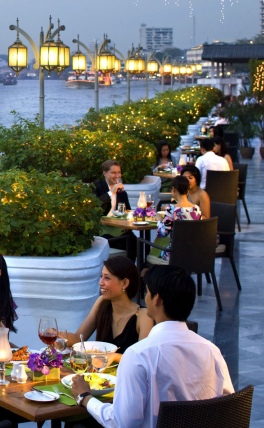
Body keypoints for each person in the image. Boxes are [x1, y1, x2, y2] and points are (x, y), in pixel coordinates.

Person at [71, 265, 233, 428]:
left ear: (157, 299)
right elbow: (228, 405)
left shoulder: (139, 355)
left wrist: (85, 397)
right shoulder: (212, 351)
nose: (145, 298)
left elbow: (122, 423)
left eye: (147, 292)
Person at [58, 256, 153, 355]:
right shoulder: (102, 303)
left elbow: (142, 358)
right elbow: (78, 338)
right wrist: (56, 335)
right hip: (98, 369)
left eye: (107, 278)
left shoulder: (142, 316)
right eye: (101, 276)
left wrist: (113, 358)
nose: (100, 282)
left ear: (124, 283)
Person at [148, 176, 201, 264]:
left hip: (174, 255)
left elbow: (163, 233)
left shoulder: (172, 209)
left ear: (173, 189)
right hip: (192, 254)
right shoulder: (197, 209)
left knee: (154, 248)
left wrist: (159, 220)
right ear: (188, 191)